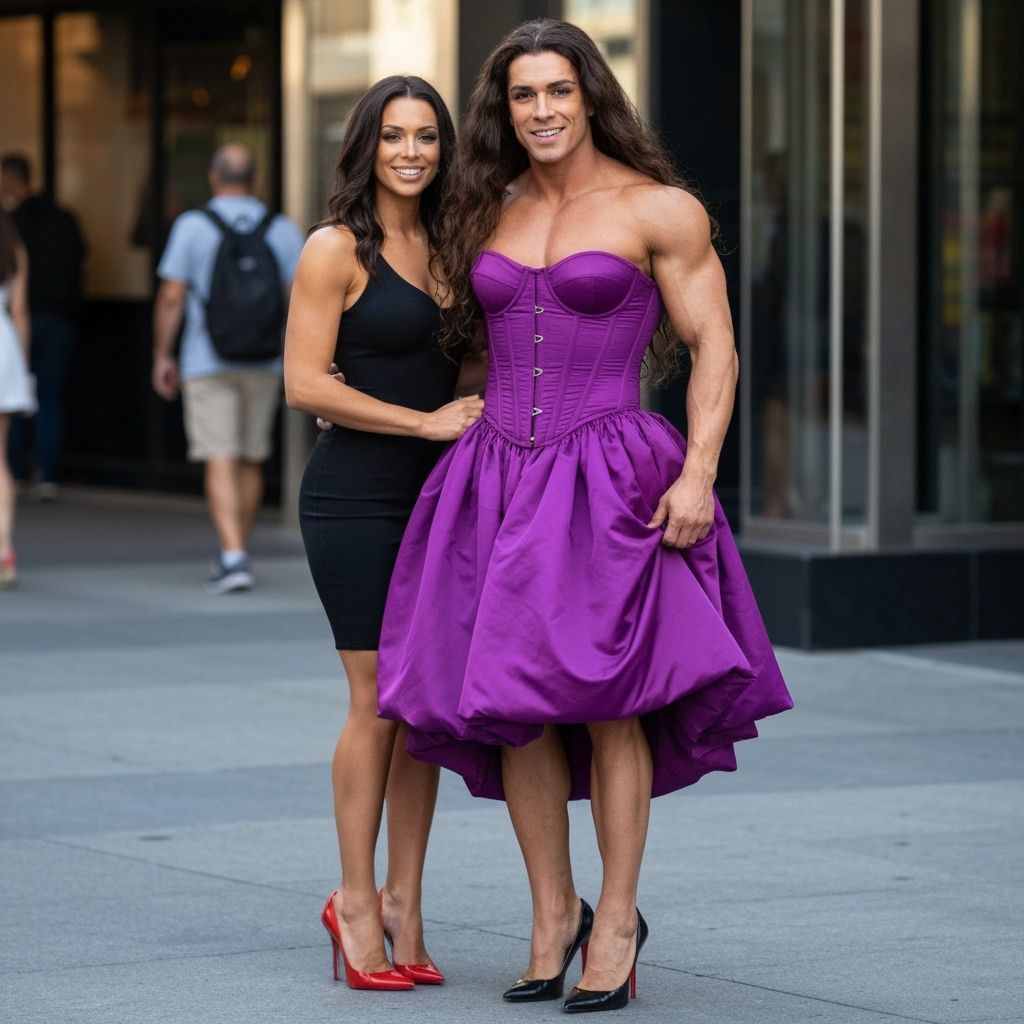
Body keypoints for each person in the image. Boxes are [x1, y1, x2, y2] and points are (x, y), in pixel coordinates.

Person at [376, 19, 794, 1013]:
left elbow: (715, 349)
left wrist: (698, 474)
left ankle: (617, 918)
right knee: (517, 707)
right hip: (495, 479)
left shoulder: (660, 208)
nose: (542, 110)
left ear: (591, 94)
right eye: (522, 96)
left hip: (611, 473)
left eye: (558, 90)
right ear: (502, 110)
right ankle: (551, 913)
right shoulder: (485, 204)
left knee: (609, 700)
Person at [283, 77, 482, 991]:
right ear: (367, 145)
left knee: (421, 705)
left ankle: (407, 900)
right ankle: (355, 901)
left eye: (428, 137)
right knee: (376, 700)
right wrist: (424, 424)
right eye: (395, 136)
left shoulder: (454, 240)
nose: (412, 152)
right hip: (357, 497)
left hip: (441, 500)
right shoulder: (335, 247)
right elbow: (305, 386)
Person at [152, 144, 304, 593]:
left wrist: (163, 353)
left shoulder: (192, 226)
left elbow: (172, 296)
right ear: (254, 179)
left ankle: (233, 555)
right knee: (251, 456)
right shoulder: (282, 229)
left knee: (219, 455)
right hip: (265, 359)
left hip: (206, 359)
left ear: (215, 177)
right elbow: (301, 298)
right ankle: (237, 548)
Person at [0, 153, 85, 501]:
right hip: (60, 319)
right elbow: (81, 263)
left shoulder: (9, 226)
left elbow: (18, 303)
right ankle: (47, 475)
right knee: (48, 399)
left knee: (12, 406)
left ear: (10, 178)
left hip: (18, 325)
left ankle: (16, 472)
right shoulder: (63, 218)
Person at [0, 209, 34, 587]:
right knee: (0, 458)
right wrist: (22, 366)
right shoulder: (13, 245)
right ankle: (4, 549)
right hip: (3, 345)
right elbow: (20, 309)